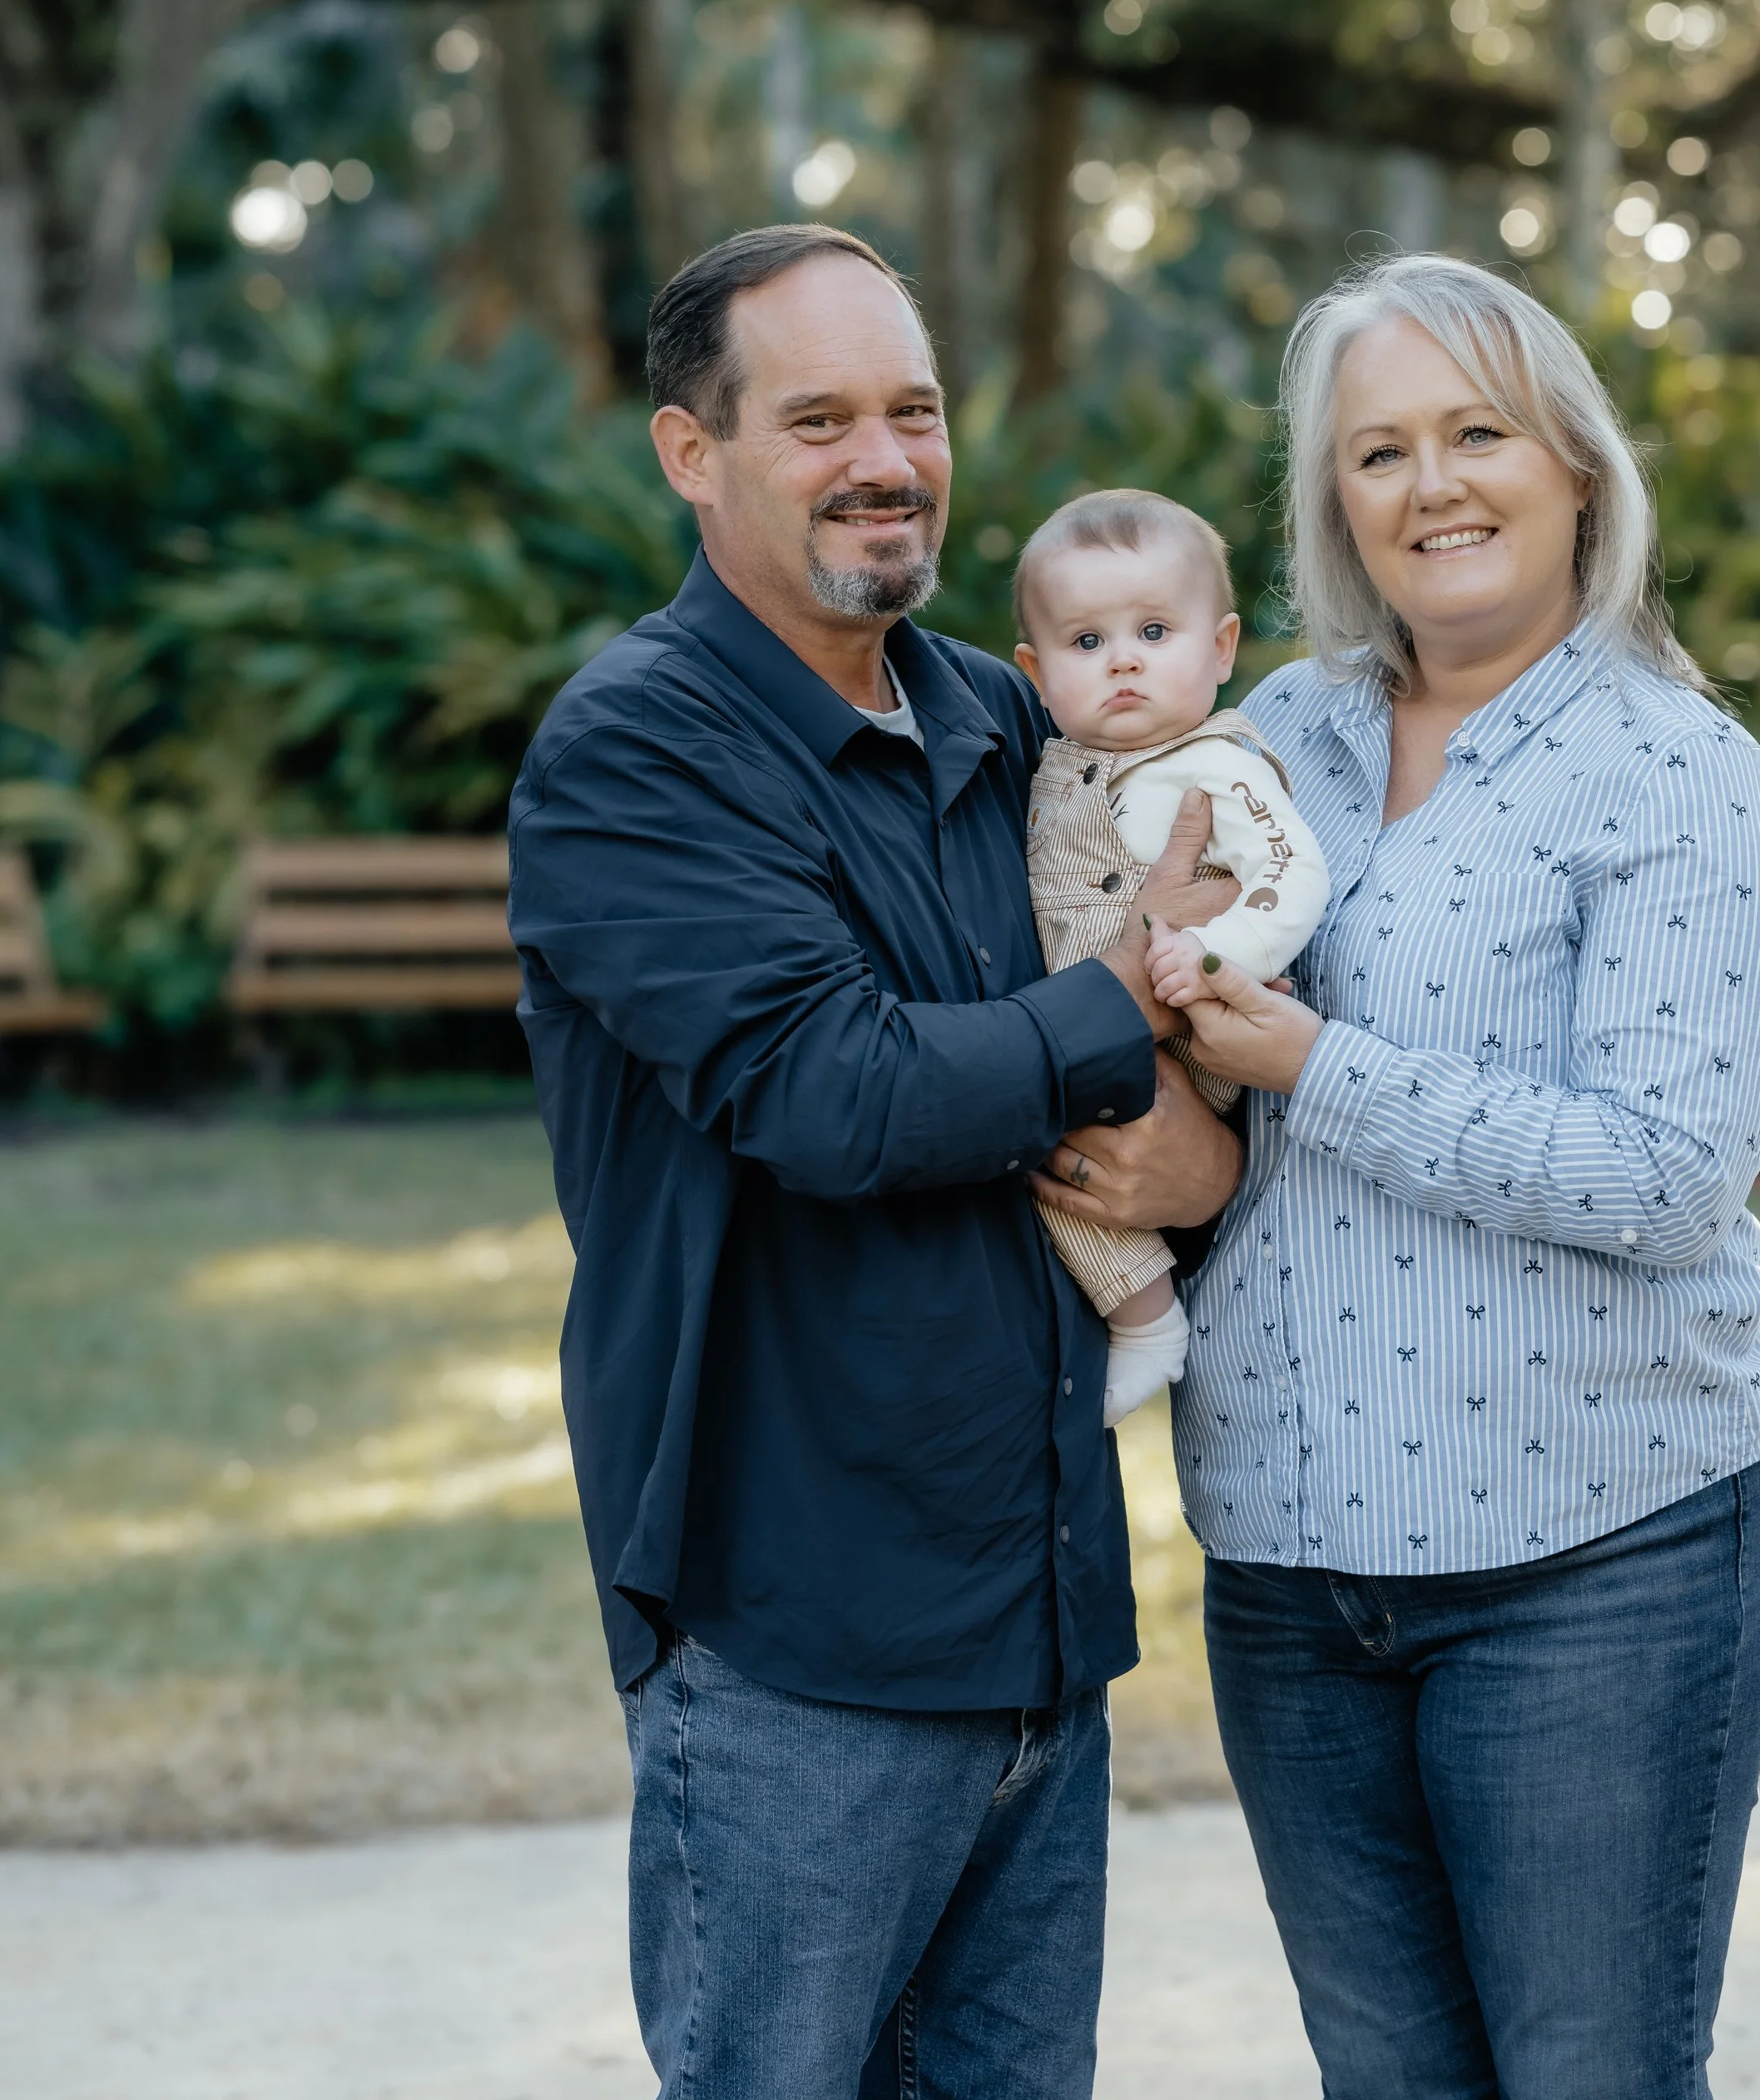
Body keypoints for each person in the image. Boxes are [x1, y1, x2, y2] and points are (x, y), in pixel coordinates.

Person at [505, 224, 1241, 2100]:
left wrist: (1195, 1161)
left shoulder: (1006, 719)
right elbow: (833, 1090)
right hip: (793, 1632)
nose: (885, 458)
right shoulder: (636, 754)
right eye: (817, 416)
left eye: (909, 408)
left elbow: (1186, 1006)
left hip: (1036, 1613)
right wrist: (1116, 1011)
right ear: (692, 453)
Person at [1113, 250, 1760, 2100]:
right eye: (1377, 451)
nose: (1430, 485)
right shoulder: (1277, 737)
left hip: (1600, 1553)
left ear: (1574, 465)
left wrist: (1316, 1064)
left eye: (1476, 432)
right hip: (1289, 1555)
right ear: (1331, 501)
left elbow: (1668, 1174)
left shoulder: (1678, 773)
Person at [1010, 487, 1331, 1425]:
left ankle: (1147, 1320)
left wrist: (1213, 953)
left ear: (1221, 647)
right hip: (1083, 1007)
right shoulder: (1058, 763)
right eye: (1085, 642)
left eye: (1154, 630)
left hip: (1184, 1027)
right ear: (1034, 671)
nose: (1122, 662)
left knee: (1078, 1157)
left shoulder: (1217, 762)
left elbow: (1289, 874)